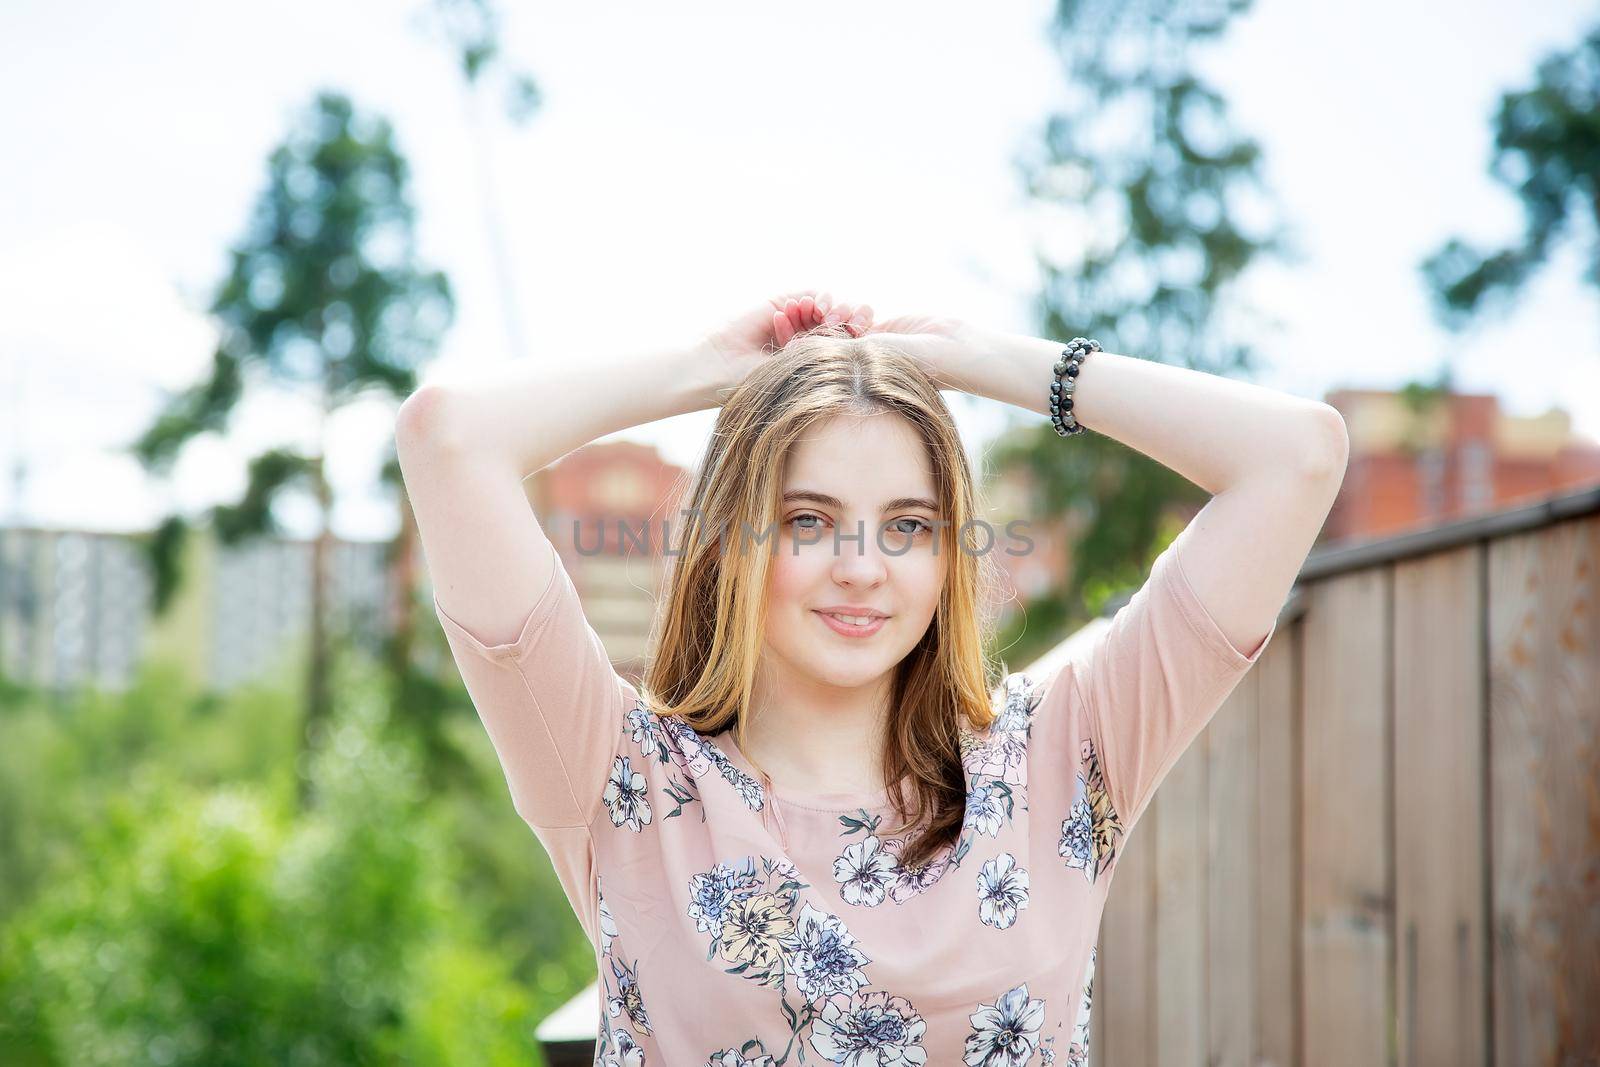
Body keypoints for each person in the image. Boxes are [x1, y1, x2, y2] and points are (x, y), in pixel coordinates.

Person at [394, 291, 1348, 1066]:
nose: (863, 565)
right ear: (732, 543)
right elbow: (448, 437)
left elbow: (1296, 456)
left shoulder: (1061, 754)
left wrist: (980, 359)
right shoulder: (623, 780)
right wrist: (707, 372)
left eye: (908, 525)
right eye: (807, 520)